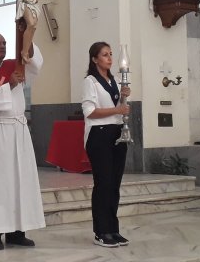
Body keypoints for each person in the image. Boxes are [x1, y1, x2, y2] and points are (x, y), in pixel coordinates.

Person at [0, 31, 45, 250]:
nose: (2, 46)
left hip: (18, 129)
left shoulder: (15, 65)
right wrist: (9, 85)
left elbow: (35, 66)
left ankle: (17, 231)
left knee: (20, 180)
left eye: (4, 43)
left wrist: (28, 37)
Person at [81, 42, 131, 247]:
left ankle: (113, 229)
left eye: (111, 54)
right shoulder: (90, 81)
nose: (109, 58)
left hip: (117, 133)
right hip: (99, 134)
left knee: (114, 184)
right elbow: (89, 111)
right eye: (104, 55)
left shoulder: (117, 80)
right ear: (94, 59)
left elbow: (121, 109)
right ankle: (101, 231)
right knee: (103, 183)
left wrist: (124, 99)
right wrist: (117, 111)